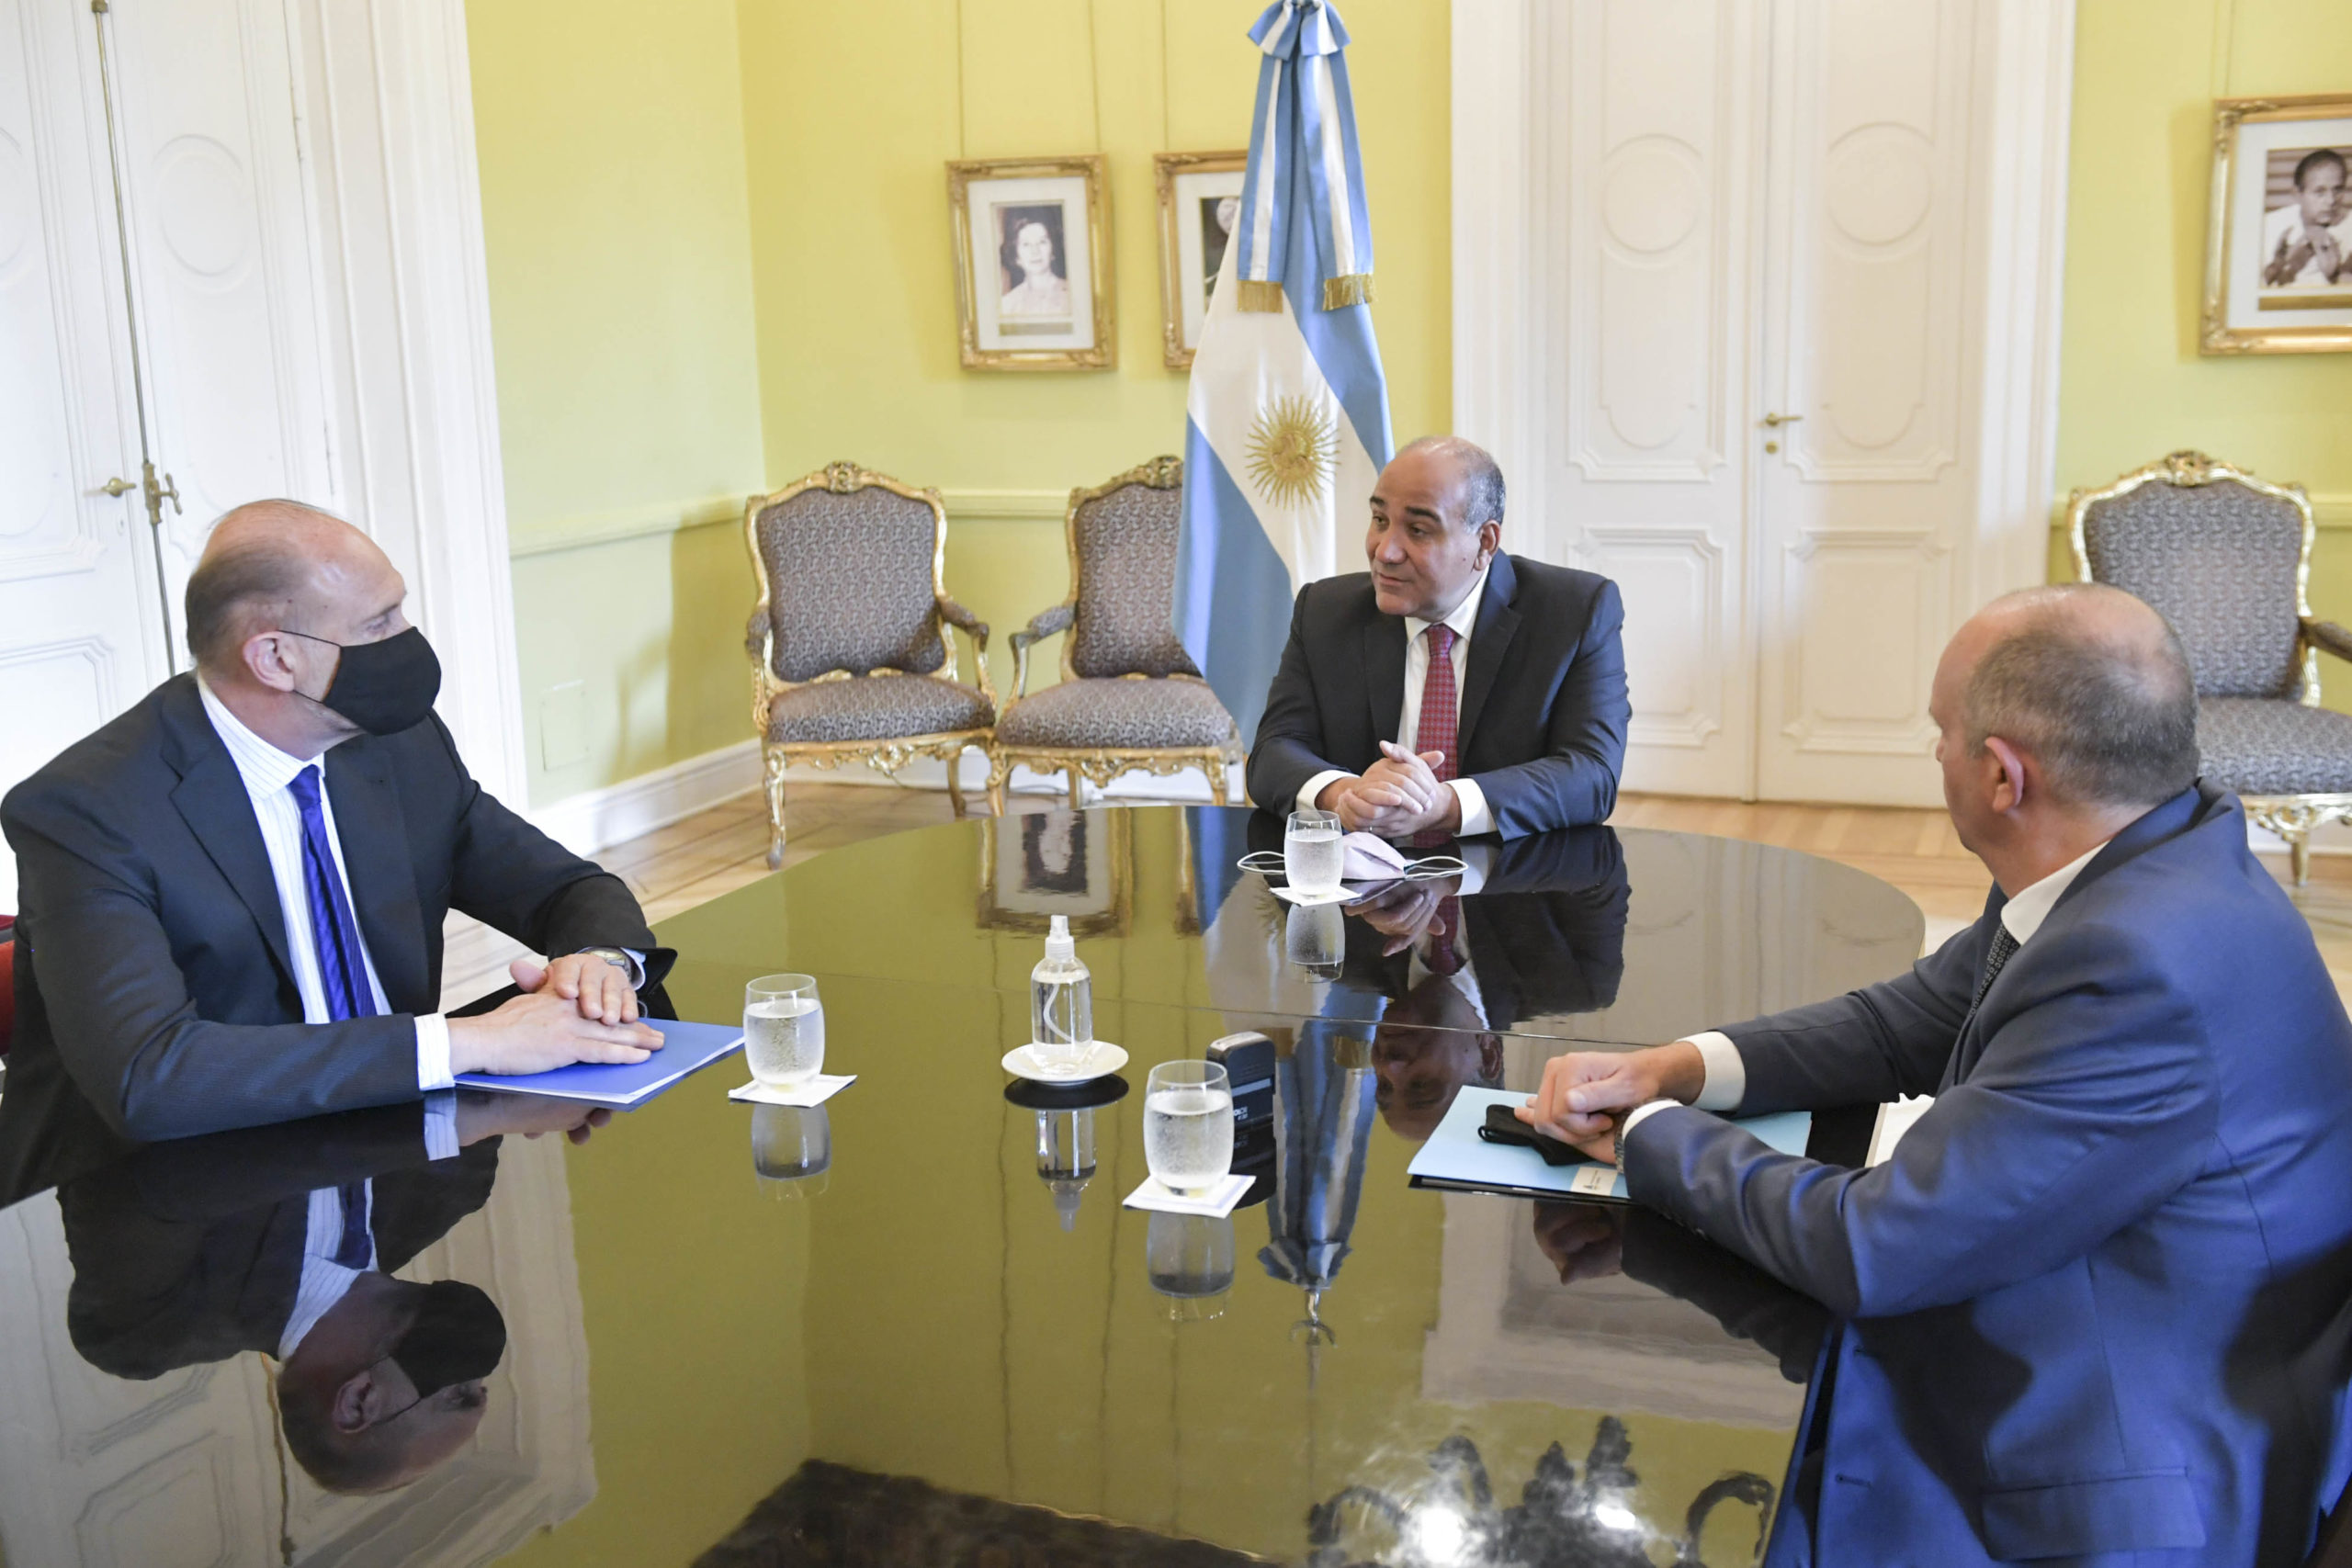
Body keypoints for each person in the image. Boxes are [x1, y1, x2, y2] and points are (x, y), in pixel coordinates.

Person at [1516, 583, 2352, 1565]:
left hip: (2117, 1459)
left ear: (2002, 775)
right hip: (2135, 1319)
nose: (1937, 754)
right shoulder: (2148, 847)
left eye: (1940, 734)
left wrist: (1649, 1133)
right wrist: (1683, 1068)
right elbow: (1910, 1018)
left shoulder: (2137, 967)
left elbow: (1875, 1247)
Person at [0, 501, 672, 1146]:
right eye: (379, 623)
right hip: (185, 1182)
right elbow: (150, 1077)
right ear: (275, 658)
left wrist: (600, 965)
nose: (408, 638)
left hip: (397, 1153)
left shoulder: (395, 742)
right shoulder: (86, 812)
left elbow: (565, 888)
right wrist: (472, 1041)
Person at [56, 1093, 605, 1493]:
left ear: (358, 1401)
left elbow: (148, 1176)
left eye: (462, 1395)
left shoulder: (152, 1327)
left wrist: (451, 1123)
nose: (479, 1376)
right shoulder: (452, 1188)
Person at [1246, 436, 1629, 840]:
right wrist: (1344, 795)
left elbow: (1592, 773)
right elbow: (1273, 750)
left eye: (1418, 530)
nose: (1385, 552)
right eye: (1380, 520)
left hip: (1512, 870)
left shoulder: (1574, 612)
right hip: (1359, 869)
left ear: (1485, 542)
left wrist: (1445, 805)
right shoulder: (1324, 611)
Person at [2263, 146, 2350, 289]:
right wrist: (2279, 270)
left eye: (2337, 190)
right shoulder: (2269, 225)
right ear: (2297, 194)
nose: (2331, 201)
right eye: (2320, 192)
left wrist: (2335, 276)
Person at [999, 216, 1070, 318]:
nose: (1035, 251)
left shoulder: (1071, 295)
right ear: (1016, 256)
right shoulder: (1007, 304)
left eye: (1042, 242)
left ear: (1053, 249)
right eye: (1026, 244)